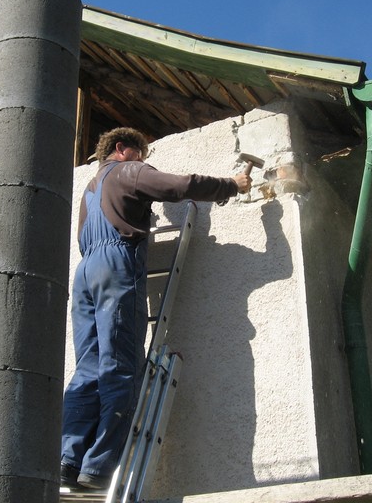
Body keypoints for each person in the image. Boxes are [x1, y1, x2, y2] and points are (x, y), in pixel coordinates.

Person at [60, 127, 251, 490]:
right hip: (115, 264)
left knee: (87, 369)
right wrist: (231, 185)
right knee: (120, 366)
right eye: (141, 154)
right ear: (122, 149)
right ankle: (98, 467)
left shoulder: (89, 190)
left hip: (85, 274)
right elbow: (180, 185)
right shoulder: (128, 171)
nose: (145, 162)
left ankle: (68, 461)